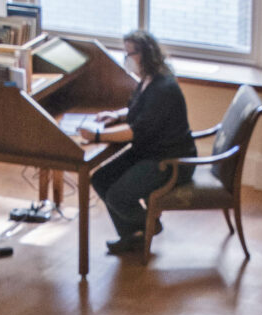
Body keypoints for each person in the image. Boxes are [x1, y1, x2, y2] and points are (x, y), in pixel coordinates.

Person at [83, 30, 196, 257]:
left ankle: (147, 226)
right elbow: (139, 111)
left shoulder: (163, 88)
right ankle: (133, 235)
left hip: (169, 161)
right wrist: (117, 115)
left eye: (130, 53)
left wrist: (97, 137)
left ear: (145, 54)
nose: (127, 59)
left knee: (117, 196)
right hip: (148, 151)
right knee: (100, 179)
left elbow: (135, 132)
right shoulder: (148, 80)